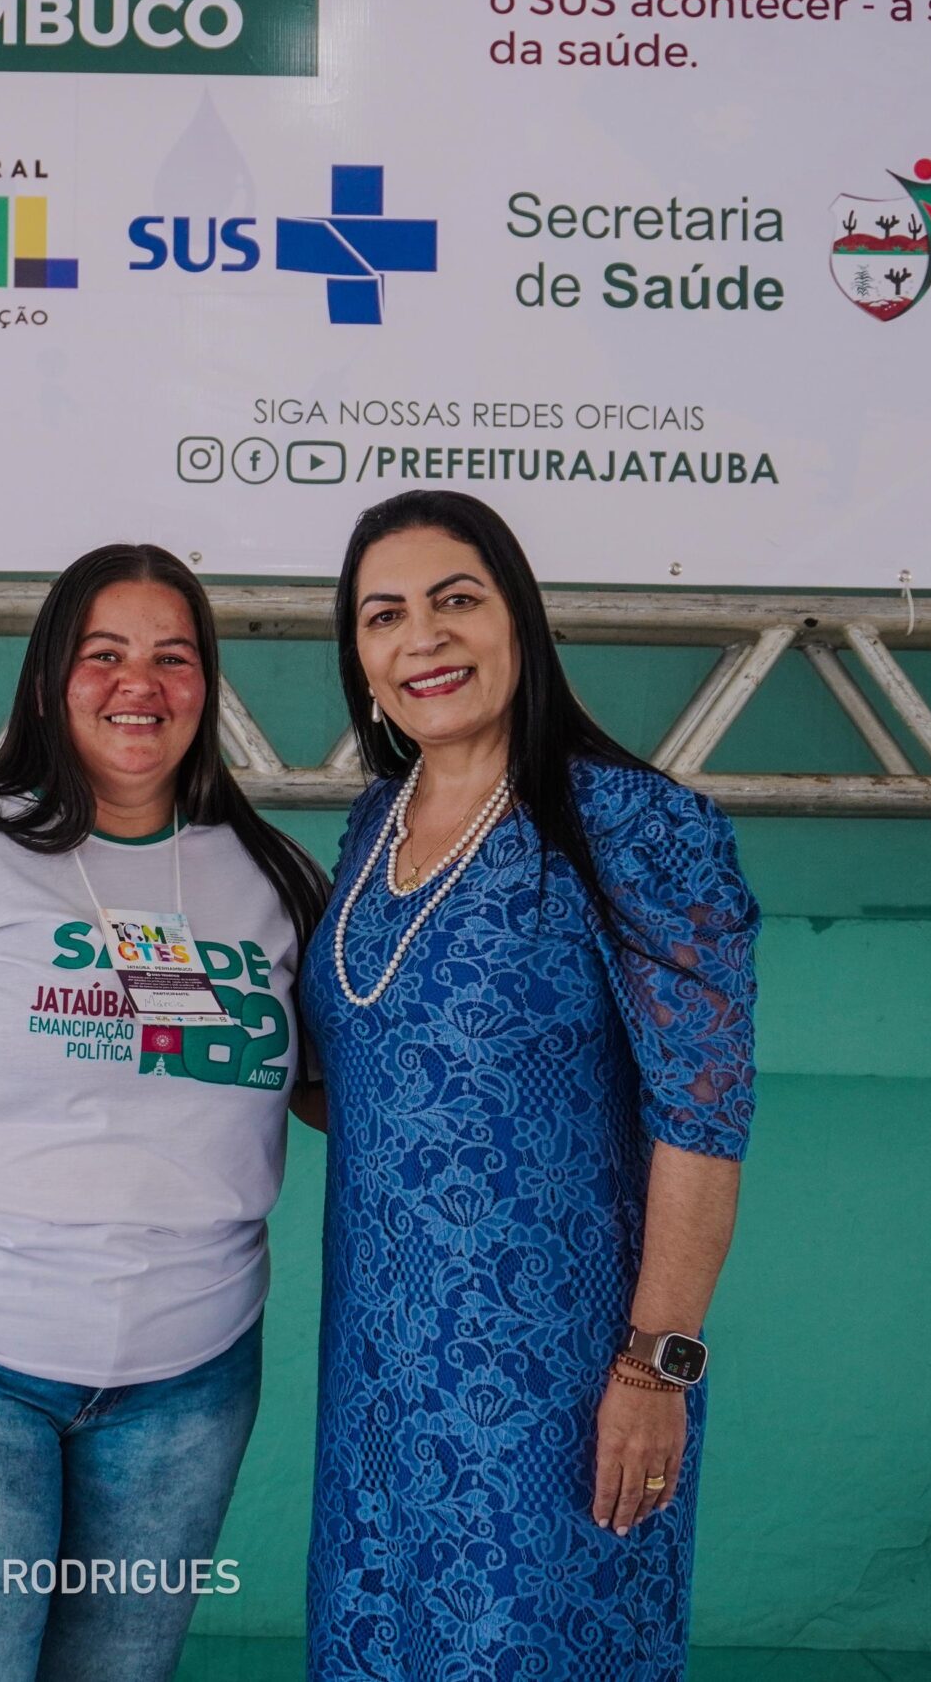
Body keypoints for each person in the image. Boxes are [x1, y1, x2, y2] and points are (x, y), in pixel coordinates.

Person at [0, 543, 330, 1682]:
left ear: (207, 685)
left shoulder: (271, 880)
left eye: (173, 658)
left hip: (189, 1389)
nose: (140, 684)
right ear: (49, 679)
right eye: (105, 655)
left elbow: (356, 1093)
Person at [301, 490, 760, 1681]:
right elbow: (381, 1089)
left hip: (556, 1386)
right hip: (379, 1380)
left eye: (457, 600)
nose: (423, 640)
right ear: (357, 656)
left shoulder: (637, 827)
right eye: (383, 616)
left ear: (520, 619)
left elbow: (701, 1123)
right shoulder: (370, 830)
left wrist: (654, 1367)